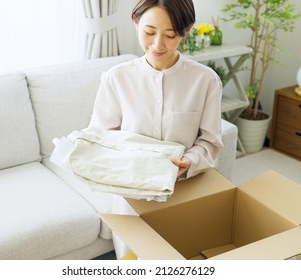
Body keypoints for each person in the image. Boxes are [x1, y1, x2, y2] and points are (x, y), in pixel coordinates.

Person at [88, 0, 224, 259]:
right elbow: (100, 137)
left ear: (187, 30)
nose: (158, 45)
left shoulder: (205, 81)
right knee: (133, 262)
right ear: (136, 22)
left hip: (181, 194)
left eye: (171, 35)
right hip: (130, 199)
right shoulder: (116, 78)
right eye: (149, 32)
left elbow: (211, 142)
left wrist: (190, 161)